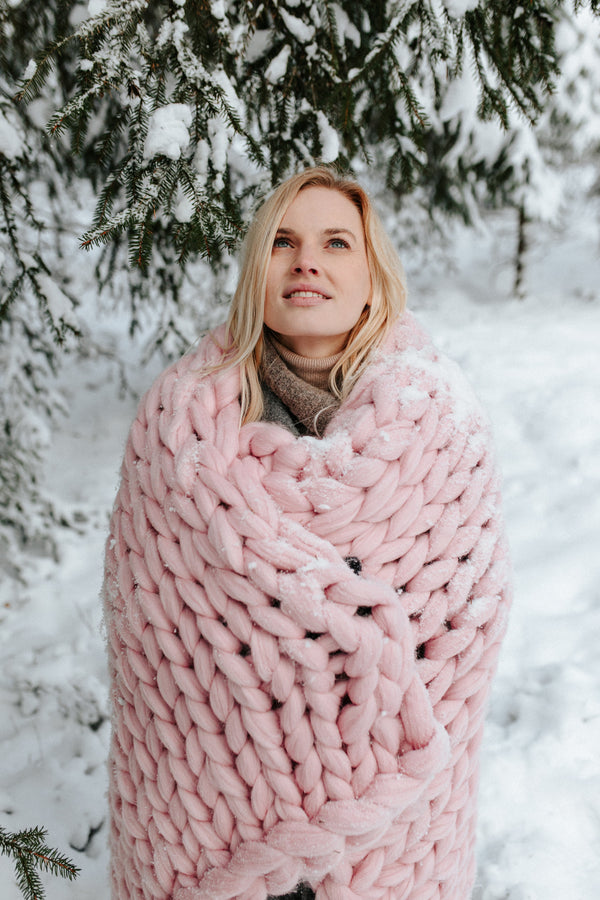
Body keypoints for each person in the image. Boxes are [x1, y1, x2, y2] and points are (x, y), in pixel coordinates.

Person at [103, 166, 512, 900]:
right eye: (284, 242)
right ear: (258, 268)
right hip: (217, 820)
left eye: (335, 242)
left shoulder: (441, 420)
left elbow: (469, 630)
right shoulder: (178, 431)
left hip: (393, 836)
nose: (307, 262)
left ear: (371, 272)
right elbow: (157, 646)